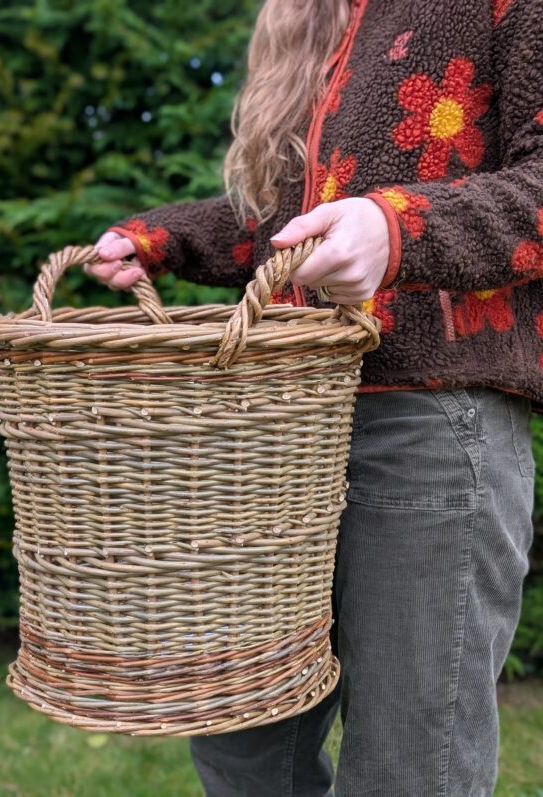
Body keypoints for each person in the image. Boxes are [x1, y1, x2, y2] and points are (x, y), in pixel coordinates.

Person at [86, 0, 542, 794]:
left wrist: (397, 227)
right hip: (291, 431)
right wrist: (166, 236)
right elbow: (290, 234)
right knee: (240, 737)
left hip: (432, 421)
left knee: (408, 763)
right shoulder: (319, 16)